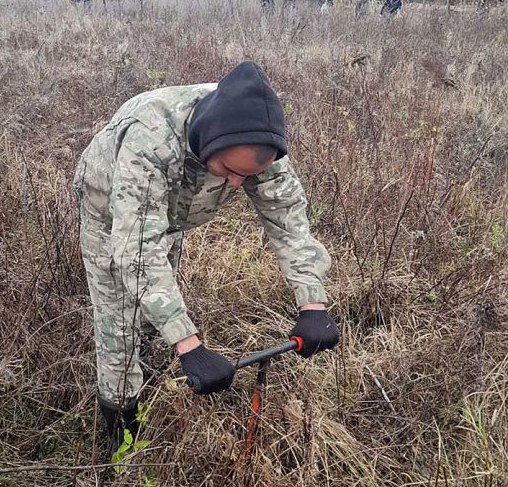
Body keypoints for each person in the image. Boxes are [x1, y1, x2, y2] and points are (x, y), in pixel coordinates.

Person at [75, 61, 340, 447]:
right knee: (121, 327)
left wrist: (312, 304)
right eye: (229, 170)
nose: (235, 182)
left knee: (152, 321)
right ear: (209, 141)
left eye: (246, 176)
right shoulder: (150, 140)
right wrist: (189, 344)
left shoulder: (258, 138)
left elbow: (287, 219)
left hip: (168, 215)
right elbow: (137, 250)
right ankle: (122, 442)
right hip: (111, 214)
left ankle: (153, 385)